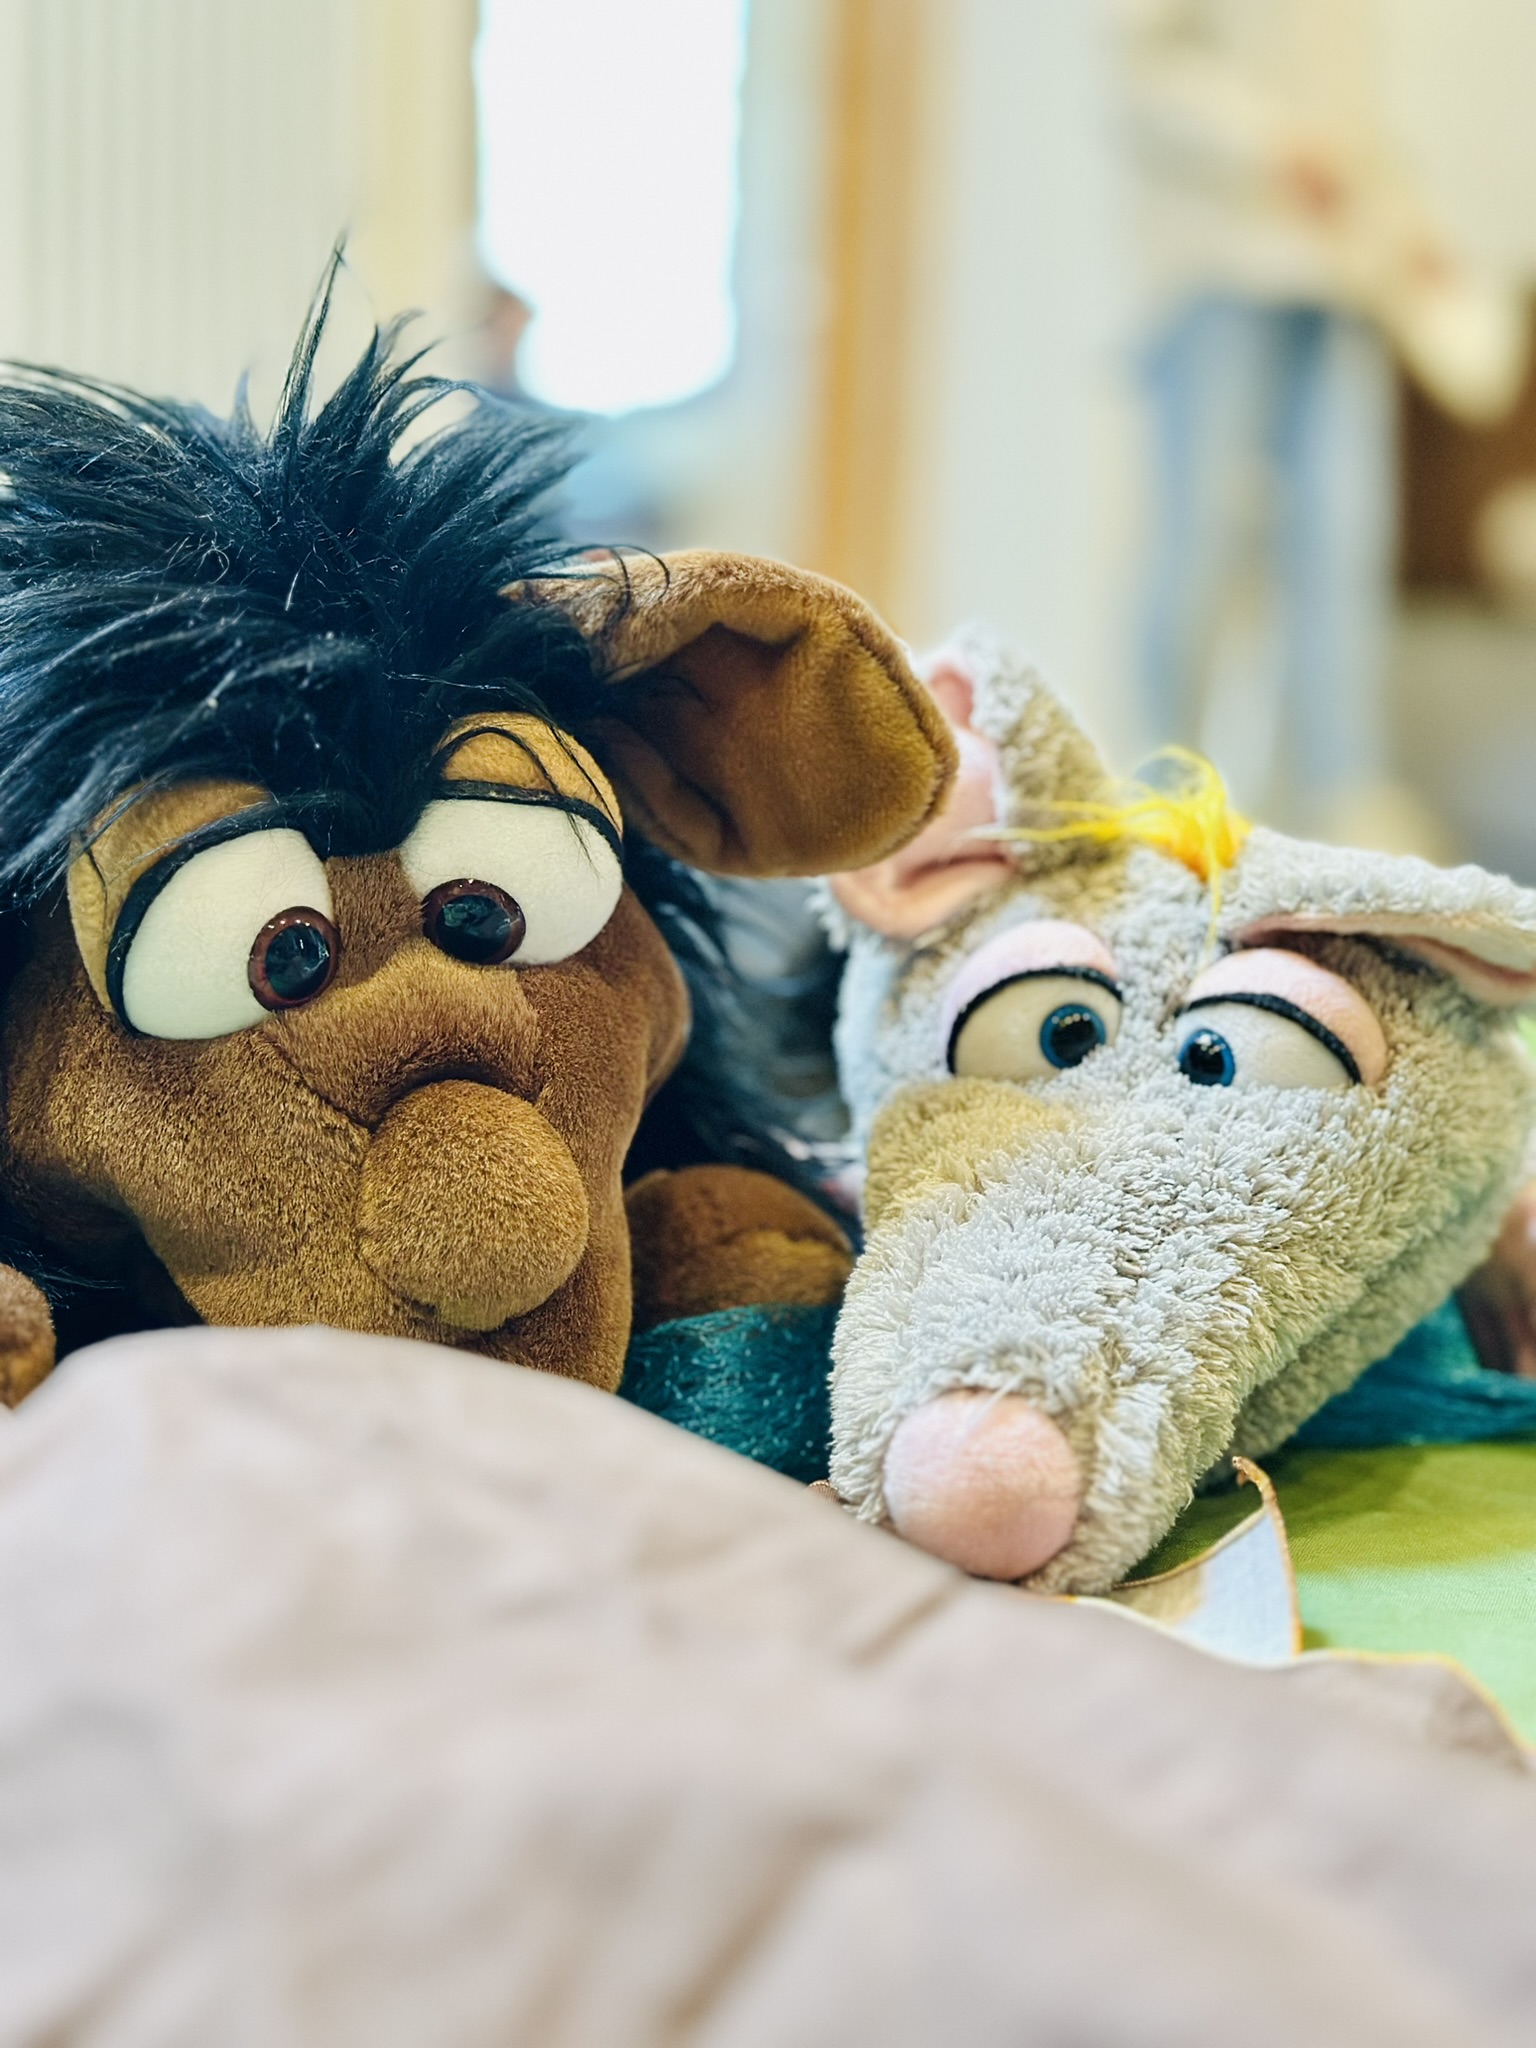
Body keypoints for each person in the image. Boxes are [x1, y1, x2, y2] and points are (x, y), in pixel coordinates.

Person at [1117, 0, 1526, 842]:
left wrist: (1408, 225)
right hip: (1221, 260)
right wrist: (1270, 144)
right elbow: (1142, 72)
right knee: (1199, 539)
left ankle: (1344, 790)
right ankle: (1165, 786)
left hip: (1344, 267)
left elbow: (1357, 118)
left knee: (1342, 539)